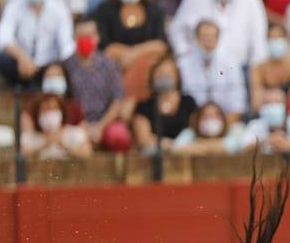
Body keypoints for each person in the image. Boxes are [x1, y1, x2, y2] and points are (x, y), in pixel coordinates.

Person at [0, 0, 75, 89]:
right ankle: (19, 86)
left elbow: (66, 45)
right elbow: (3, 36)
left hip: (48, 64)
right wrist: (21, 56)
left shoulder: (59, 9)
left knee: (65, 70)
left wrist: (58, 66)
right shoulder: (14, 5)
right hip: (22, 62)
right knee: (1, 57)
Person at [63, 15, 131, 150]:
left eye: (89, 35)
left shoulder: (109, 64)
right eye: (81, 36)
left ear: (97, 37)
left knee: (119, 137)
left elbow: (118, 99)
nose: (86, 40)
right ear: (74, 38)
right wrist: (82, 126)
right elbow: (63, 101)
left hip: (105, 121)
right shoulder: (65, 66)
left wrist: (100, 126)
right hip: (76, 124)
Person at [92, 0, 166, 70]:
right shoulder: (105, 10)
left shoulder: (154, 10)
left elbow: (160, 44)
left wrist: (133, 54)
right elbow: (103, 45)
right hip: (114, 64)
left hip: (148, 65)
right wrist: (124, 55)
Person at [176, 19, 249, 121]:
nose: (208, 43)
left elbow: (238, 103)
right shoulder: (182, 65)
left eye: (212, 38)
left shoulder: (231, 63)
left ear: (218, 39)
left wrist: (222, 127)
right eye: (204, 37)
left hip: (226, 122)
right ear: (196, 39)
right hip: (192, 123)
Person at [21, 64, 92, 158]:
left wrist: (63, 144)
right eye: (49, 76)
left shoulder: (74, 129)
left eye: (57, 76)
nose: (50, 113)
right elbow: (22, 151)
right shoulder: (33, 107)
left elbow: (86, 150)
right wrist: (46, 142)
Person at [132, 55, 198, 152]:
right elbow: (144, 139)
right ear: (153, 76)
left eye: (168, 73)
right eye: (160, 73)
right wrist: (174, 146)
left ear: (177, 77)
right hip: (155, 154)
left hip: (186, 154)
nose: (164, 76)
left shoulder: (188, 103)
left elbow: (196, 131)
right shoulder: (144, 106)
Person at [250, 23, 290, 109]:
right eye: (271, 39)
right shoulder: (259, 68)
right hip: (267, 110)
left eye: (278, 38)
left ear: (287, 40)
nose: (275, 42)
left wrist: (278, 99)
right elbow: (256, 101)